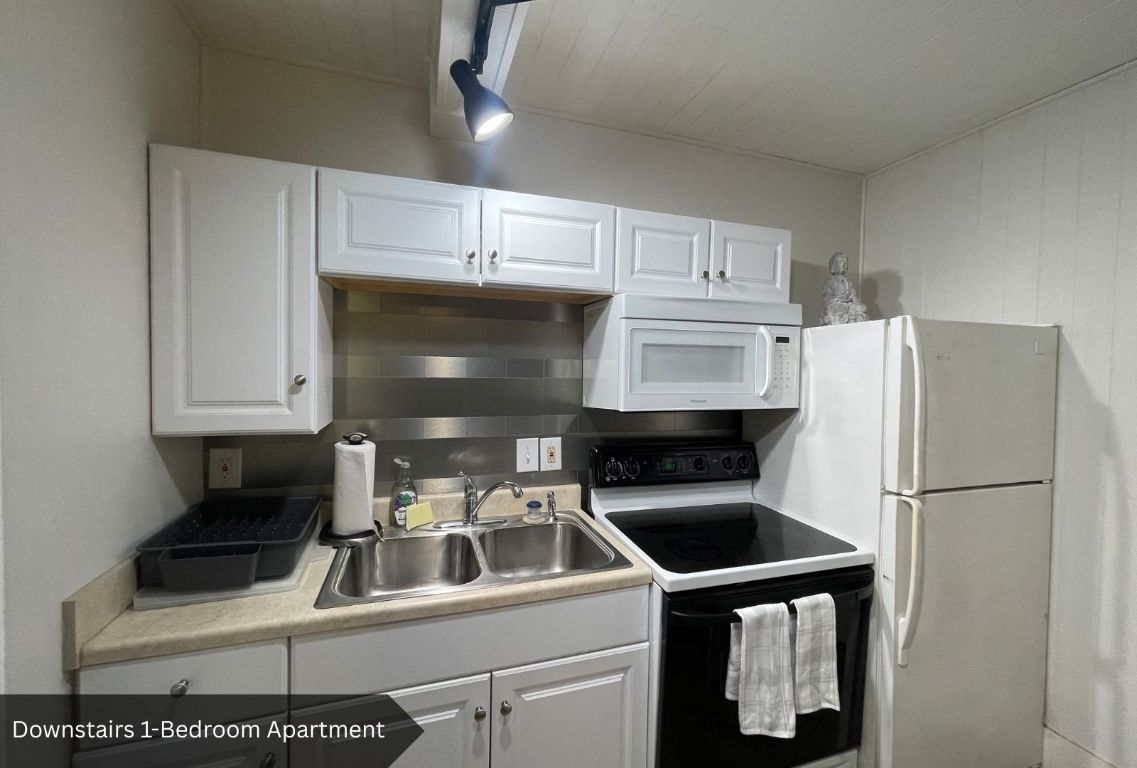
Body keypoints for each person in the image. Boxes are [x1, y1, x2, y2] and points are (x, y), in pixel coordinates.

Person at [820, 252, 868, 325]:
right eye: (842, 263)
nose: (845, 265)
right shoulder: (829, 282)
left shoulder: (848, 282)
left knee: (863, 308)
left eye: (846, 263)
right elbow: (826, 299)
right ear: (835, 264)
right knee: (834, 309)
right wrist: (838, 299)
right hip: (836, 305)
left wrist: (856, 303)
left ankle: (851, 316)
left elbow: (853, 297)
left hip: (848, 305)